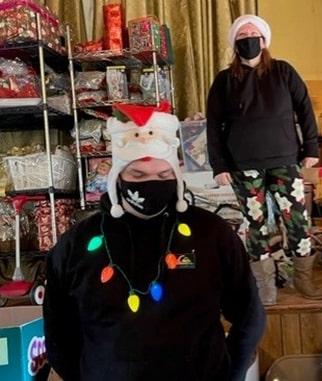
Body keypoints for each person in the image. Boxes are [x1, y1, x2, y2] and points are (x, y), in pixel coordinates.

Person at [43, 102, 266, 381]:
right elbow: (58, 331)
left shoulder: (213, 234)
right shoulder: (77, 244)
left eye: (164, 176)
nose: (152, 184)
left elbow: (249, 315)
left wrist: (230, 373)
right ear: (117, 175)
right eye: (138, 175)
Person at [207, 14, 322, 305]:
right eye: (242, 34)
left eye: (253, 32)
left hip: (285, 158)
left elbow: (305, 109)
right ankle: (265, 285)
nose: (248, 37)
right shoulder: (224, 81)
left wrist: (311, 148)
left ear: (264, 39)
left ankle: (303, 279)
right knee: (254, 224)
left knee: (297, 220)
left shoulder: (284, 72)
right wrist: (218, 165)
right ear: (235, 42)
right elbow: (213, 125)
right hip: (242, 165)